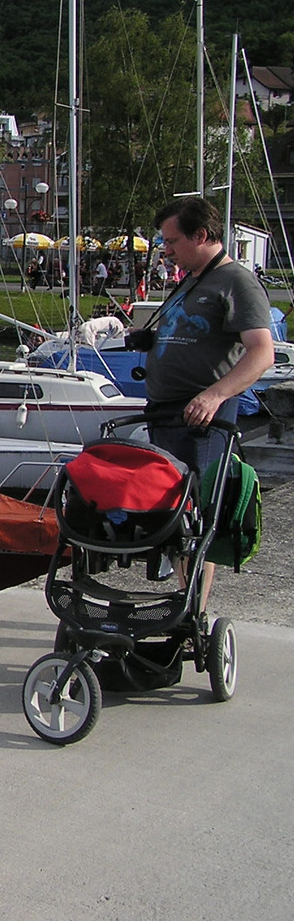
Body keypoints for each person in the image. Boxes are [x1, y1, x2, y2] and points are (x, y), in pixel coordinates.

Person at [129, 196, 274, 610]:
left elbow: (261, 352)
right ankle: (183, 595)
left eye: (172, 241)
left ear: (202, 235)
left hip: (202, 418)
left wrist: (215, 395)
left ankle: (193, 610)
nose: (166, 250)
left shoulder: (237, 282)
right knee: (172, 510)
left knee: (197, 515)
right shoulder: (192, 279)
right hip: (166, 414)